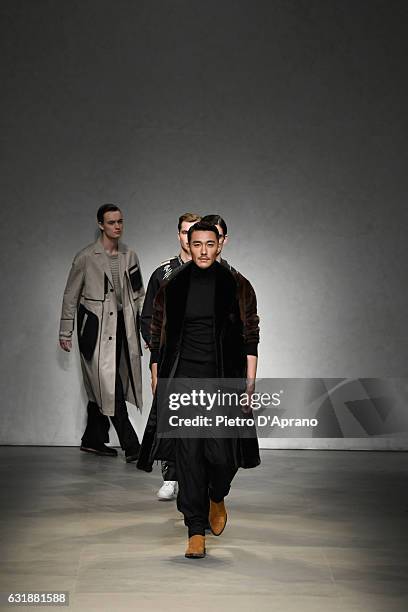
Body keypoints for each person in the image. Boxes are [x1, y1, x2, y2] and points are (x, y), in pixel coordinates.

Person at [137, 221, 260, 558]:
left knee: (222, 455)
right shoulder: (172, 284)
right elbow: (158, 335)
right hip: (183, 380)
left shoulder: (236, 284)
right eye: (197, 243)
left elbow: (251, 336)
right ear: (188, 245)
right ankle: (194, 529)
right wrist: (156, 375)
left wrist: (249, 382)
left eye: (210, 243)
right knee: (188, 456)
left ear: (220, 245)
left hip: (223, 381)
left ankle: (217, 494)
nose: (203, 250)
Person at [59, 204, 144, 462]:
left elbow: (138, 295)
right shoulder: (86, 257)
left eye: (120, 221)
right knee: (110, 385)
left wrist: (148, 332)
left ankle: (92, 440)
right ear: (100, 225)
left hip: (122, 328)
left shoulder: (130, 255)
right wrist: (65, 331)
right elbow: (70, 296)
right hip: (95, 331)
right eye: (111, 222)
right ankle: (132, 446)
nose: (117, 226)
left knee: (103, 385)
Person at [140, 212, 201, 499]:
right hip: (170, 359)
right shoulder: (162, 273)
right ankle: (170, 475)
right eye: (185, 231)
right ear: (178, 235)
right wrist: (156, 359)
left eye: (195, 232)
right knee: (171, 415)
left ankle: (200, 478)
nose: (189, 237)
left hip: (202, 359)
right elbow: (149, 317)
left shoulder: (215, 272)